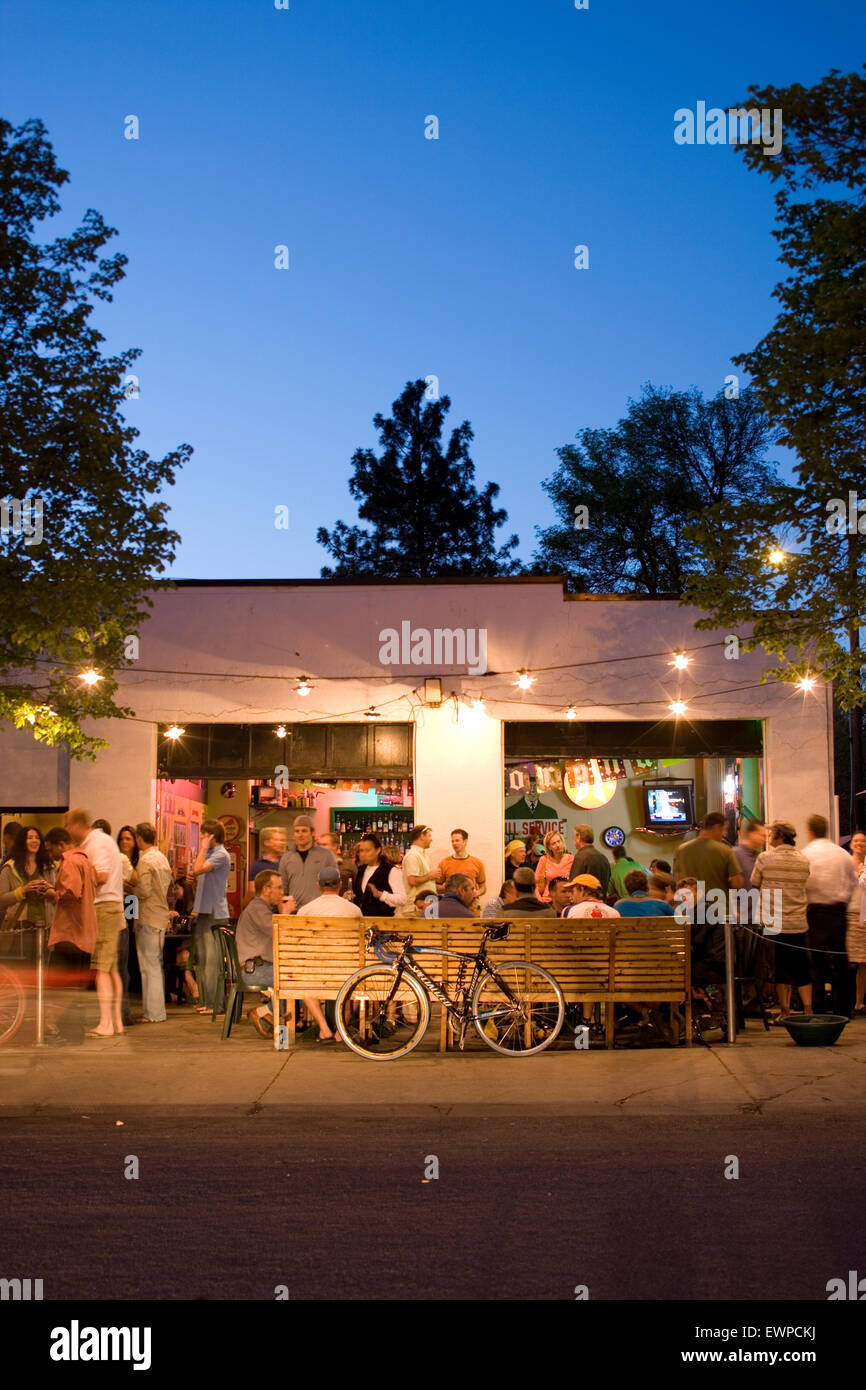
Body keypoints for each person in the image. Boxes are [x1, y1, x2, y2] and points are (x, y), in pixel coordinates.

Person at [238, 870, 339, 1042]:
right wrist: (285, 913)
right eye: (278, 888)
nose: (282, 892)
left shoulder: (263, 908)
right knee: (294, 981)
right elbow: (280, 933)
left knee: (299, 980)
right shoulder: (257, 909)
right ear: (266, 890)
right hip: (254, 969)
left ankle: (283, 1025)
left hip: (263, 965)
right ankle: (266, 1016)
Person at [66, 809, 125, 1038]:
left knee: (101, 968)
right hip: (111, 906)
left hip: (104, 907)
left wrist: (76, 872)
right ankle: (116, 1022)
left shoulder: (96, 843)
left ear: (77, 824)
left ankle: (106, 1024)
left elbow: (101, 876)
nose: (69, 831)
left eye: (69, 826)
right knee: (110, 969)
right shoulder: (103, 840)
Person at [751, 820, 812, 1023]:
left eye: (771, 835)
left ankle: (784, 1011)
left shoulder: (765, 858)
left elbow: (754, 882)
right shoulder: (803, 859)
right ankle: (808, 1010)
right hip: (798, 922)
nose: (769, 838)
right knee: (802, 967)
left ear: (779, 836)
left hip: (774, 921)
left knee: (780, 967)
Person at [802, 813, 857, 1016]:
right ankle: (843, 1006)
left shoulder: (807, 853)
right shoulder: (842, 853)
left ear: (810, 832)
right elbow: (851, 883)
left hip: (815, 911)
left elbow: (804, 883)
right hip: (838, 911)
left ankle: (818, 1005)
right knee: (841, 959)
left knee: (816, 961)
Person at [188, 819, 231, 1014]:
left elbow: (197, 869)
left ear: (213, 836)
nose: (202, 838)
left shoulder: (220, 854)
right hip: (204, 911)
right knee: (203, 961)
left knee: (213, 962)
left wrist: (202, 849)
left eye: (204, 835)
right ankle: (207, 1001)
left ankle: (216, 1005)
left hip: (215, 913)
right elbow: (198, 876)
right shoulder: (211, 855)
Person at [133, 822, 173, 1023]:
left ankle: (153, 1013)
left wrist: (131, 888)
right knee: (156, 963)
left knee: (149, 967)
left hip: (148, 916)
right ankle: (156, 1011)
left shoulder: (145, 861)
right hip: (161, 916)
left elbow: (144, 891)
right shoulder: (162, 859)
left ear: (139, 838)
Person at [673, 812, 744, 899]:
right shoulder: (725, 850)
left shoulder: (681, 850)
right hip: (718, 907)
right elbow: (737, 883)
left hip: (691, 907)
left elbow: (679, 880)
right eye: (724, 829)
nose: (724, 834)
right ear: (717, 827)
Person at [0, 825, 55, 934]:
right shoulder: (9, 868)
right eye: (30, 838)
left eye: (37, 838)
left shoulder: (49, 867)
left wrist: (49, 890)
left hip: (46, 923)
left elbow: (57, 895)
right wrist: (23, 890)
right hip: (18, 925)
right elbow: (1, 899)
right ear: (22, 842)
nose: (34, 841)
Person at [277, 816, 336, 912]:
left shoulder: (326, 855)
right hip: (295, 914)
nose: (300, 835)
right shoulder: (286, 858)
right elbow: (282, 889)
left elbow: (333, 887)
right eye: (297, 831)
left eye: (304, 831)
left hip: (320, 913)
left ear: (312, 833)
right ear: (293, 834)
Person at [115, 825, 139, 1027]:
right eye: (122, 839)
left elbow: (136, 885)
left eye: (128, 839)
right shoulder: (117, 859)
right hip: (121, 905)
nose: (124, 842)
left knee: (129, 949)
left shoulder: (136, 863)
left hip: (132, 903)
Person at [353, 833, 407, 915]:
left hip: (383, 922)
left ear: (378, 850)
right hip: (362, 920)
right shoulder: (361, 870)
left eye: (368, 850)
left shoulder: (390, 870)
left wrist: (381, 895)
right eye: (361, 851)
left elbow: (402, 899)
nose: (363, 854)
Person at [437, 829, 486, 910]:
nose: (454, 843)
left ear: (465, 841)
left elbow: (483, 888)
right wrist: (447, 888)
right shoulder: (444, 863)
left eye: (457, 840)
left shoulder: (477, 863)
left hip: (471, 905)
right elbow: (436, 887)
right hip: (451, 905)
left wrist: (476, 893)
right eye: (452, 841)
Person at [401, 825, 442, 910]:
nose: (431, 839)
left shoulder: (423, 855)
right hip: (416, 907)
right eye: (429, 836)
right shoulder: (413, 855)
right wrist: (430, 876)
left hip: (426, 905)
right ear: (422, 836)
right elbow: (412, 880)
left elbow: (425, 884)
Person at [848, 831, 866, 1015]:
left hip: (864, 915)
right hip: (850, 913)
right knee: (850, 960)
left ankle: (859, 1001)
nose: (859, 843)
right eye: (856, 840)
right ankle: (848, 1000)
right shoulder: (846, 862)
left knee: (864, 962)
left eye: (862, 841)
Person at [245, 827, 287, 904]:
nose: (282, 843)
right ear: (267, 843)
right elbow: (251, 891)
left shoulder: (287, 863)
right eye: (277, 840)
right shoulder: (258, 865)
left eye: (283, 840)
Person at [534, 830, 573, 903]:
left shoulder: (572, 859)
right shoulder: (544, 860)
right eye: (554, 844)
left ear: (562, 842)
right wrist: (540, 900)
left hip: (567, 901)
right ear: (549, 847)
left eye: (559, 841)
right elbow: (536, 883)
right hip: (548, 901)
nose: (557, 845)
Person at [573, 826, 611, 894]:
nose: (574, 840)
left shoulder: (580, 857)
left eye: (574, 838)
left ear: (578, 837)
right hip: (602, 901)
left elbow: (574, 883)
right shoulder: (603, 857)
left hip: (586, 902)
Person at [318, 832, 356, 897]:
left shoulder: (348, 866)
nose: (320, 847)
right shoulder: (315, 865)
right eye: (319, 845)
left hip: (342, 905)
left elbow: (356, 889)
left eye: (324, 844)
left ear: (335, 846)